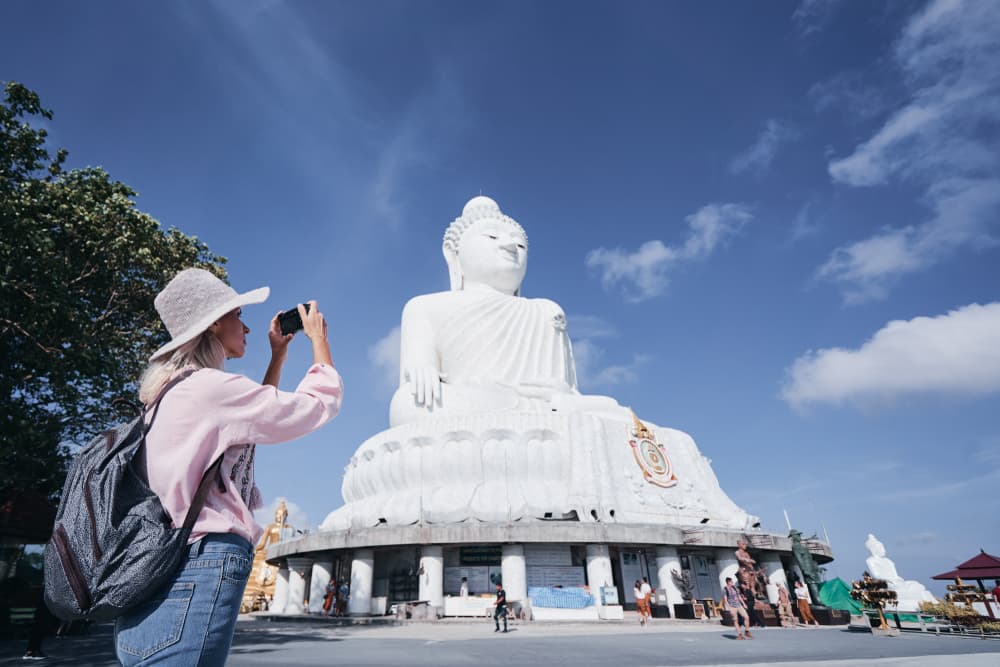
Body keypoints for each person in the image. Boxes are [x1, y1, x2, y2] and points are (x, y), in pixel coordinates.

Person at [113, 268, 343, 666]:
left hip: (155, 568)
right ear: (214, 324)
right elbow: (315, 406)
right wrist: (319, 341)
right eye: (238, 315)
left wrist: (279, 356)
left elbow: (248, 429)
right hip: (199, 562)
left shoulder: (168, 393)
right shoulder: (211, 388)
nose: (247, 328)